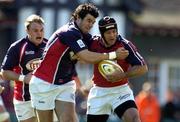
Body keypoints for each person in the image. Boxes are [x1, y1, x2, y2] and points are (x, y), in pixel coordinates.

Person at [29, 3, 129, 122]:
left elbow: (97, 46)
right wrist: (113, 55)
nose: (91, 25)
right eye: (88, 20)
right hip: (43, 83)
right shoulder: (69, 32)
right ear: (78, 18)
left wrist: (119, 41)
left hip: (65, 84)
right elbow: (86, 56)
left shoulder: (83, 35)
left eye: (93, 22)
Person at [86, 16, 148, 122]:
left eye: (114, 31)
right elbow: (81, 55)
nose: (112, 35)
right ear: (102, 34)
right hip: (99, 92)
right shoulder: (93, 43)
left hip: (120, 91)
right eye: (108, 33)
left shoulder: (125, 45)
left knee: (134, 119)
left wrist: (122, 75)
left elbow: (143, 68)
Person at [1, 14, 47, 122]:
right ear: (27, 31)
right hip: (23, 99)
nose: (39, 33)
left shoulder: (49, 46)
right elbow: (4, 72)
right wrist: (24, 78)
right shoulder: (17, 47)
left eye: (41, 30)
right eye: (35, 30)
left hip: (45, 97)